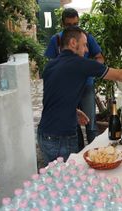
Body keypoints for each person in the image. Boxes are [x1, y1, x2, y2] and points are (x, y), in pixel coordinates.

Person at [38, 26, 122, 165]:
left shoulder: (50, 65)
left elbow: (53, 97)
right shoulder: (80, 63)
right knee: (67, 181)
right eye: (84, 45)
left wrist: (74, 111)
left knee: (56, 181)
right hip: (61, 138)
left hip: (44, 134)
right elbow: (119, 75)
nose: (87, 50)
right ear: (72, 43)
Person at [45, 8, 104, 148]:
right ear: (62, 25)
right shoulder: (56, 40)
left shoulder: (86, 37)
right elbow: (51, 65)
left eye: (76, 24)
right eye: (69, 25)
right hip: (66, 89)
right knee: (73, 125)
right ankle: (78, 156)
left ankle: (96, 154)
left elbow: (100, 58)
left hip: (86, 86)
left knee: (90, 124)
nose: (73, 28)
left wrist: (87, 69)